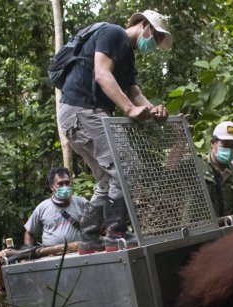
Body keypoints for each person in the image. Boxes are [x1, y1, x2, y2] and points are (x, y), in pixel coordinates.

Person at [57, 10, 173, 254]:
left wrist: (154, 110)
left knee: (108, 178)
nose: (155, 45)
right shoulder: (114, 33)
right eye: (157, 39)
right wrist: (129, 109)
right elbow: (101, 73)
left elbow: (134, 92)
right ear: (146, 27)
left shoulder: (127, 56)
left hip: (81, 114)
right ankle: (116, 233)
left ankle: (89, 238)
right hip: (83, 110)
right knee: (127, 166)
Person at [24, 167, 88, 247]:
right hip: (50, 255)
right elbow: (29, 232)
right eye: (60, 184)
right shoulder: (42, 207)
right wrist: (28, 251)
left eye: (67, 183)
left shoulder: (82, 203)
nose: (64, 186)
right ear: (52, 187)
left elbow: (99, 224)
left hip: (80, 254)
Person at [202, 121, 233, 218]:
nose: (229, 149)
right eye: (225, 144)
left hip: (226, 230)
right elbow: (171, 168)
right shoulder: (198, 163)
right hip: (198, 230)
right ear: (213, 143)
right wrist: (180, 141)